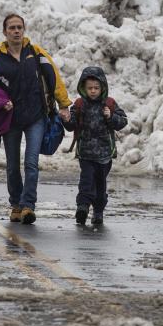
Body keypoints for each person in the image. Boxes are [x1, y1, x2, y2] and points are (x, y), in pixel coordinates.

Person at [0, 14, 71, 225]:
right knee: (12, 165)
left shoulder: (36, 53)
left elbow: (54, 77)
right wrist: (1, 102)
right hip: (9, 119)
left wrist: (64, 104)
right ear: (5, 32)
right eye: (11, 27)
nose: (16, 31)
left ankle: (28, 205)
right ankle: (15, 205)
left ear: (24, 30)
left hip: (35, 116)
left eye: (19, 27)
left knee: (31, 163)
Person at [63, 66, 128, 226]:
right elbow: (71, 126)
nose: (93, 91)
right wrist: (65, 118)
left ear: (102, 87)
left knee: (100, 185)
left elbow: (122, 122)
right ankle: (83, 207)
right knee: (86, 181)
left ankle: (98, 212)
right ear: (83, 88)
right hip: (85, 153)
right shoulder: (79, 104)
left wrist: (111, 116)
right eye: (90, 88)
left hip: (105, 155)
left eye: (96, 88)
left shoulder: (109, 103)